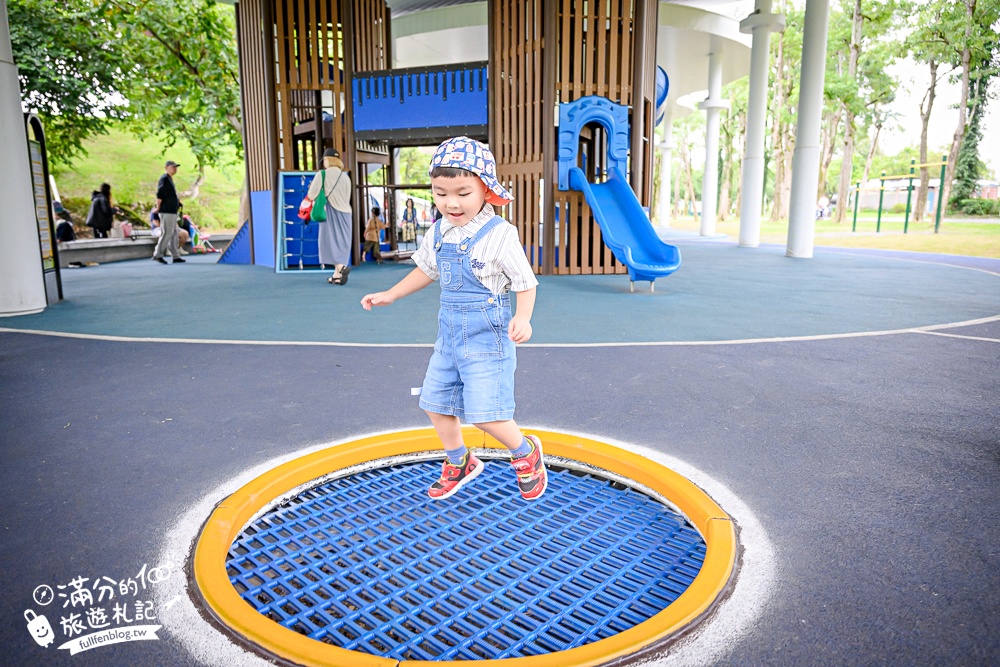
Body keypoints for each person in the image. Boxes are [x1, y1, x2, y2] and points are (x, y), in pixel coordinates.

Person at [361, 136, 546, 501]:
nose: (451, 203)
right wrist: (392, 293)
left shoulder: (500, 234)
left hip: (487, 337)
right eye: (441, 193)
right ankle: (460, 460)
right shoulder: (439, 230)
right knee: (435, 402)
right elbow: (427, 269)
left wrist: (523, 317)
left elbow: (525, 281)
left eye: (463, 193)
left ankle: (526, 452)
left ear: (486, 190)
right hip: (449, 338)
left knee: (485, 413)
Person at [305, 148, 353, 284]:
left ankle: (341, 267)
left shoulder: (322, 174)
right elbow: (347, 196)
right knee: (342, 242)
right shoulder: (345, 177)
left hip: (331, 211)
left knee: (329, 242)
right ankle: (337, 275)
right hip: (346, 213)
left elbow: (311, 195)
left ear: (327, 160)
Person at [152, 161, 185, 264]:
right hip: (167, 211)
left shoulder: (169, 179)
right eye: (172, 167)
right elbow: (160, 194)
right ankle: (158, 254)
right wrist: (158, 207)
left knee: (174, 233)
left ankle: (175, 255)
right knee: (167, 232)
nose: (175, 169)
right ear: (166, 167)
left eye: (175, 167)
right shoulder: (164, 179)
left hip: (172, 211)